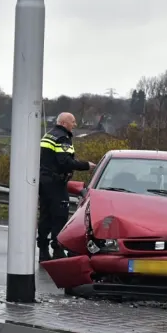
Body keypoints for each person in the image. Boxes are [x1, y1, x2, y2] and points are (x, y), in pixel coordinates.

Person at [38, 112, 95, 262]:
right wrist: (86, 165)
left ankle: (43, 250)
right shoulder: (62, 138)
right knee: (59, 217)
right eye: (73, 121)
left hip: (44, 182)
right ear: (64, 123)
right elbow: (65, 162)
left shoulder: (48, 135)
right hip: (56, 183)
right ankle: (57, 249)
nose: (75, 125)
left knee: (45, 216)